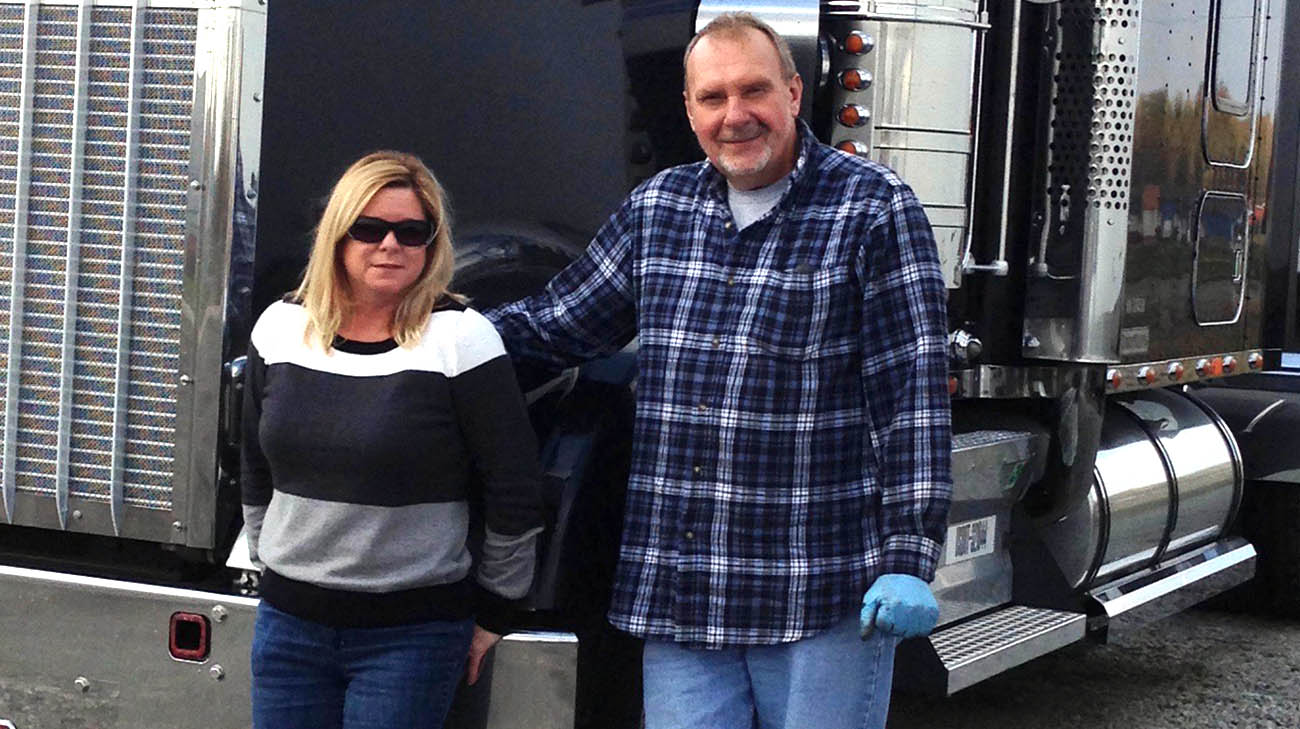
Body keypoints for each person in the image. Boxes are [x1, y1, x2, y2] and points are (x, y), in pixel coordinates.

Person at [486, 12, 952, 729]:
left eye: (754, 90)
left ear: (794, 93)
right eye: (713, 97)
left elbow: (910, 396)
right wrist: (418, 334)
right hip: (684, 596)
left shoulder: (873, 209)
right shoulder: (658, 210)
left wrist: (908, 553)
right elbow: (556, 324)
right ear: (689, 109)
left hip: (818, 593)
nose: (735, 115)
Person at [241, 151, 543, 729]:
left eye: (412, 232)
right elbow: (255, 464)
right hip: (288, 628)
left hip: (411, 639)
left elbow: (514, 487)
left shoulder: (461, 339)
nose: (390, 245)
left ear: (432, 244)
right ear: (338, 234)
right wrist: (269, 562)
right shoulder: (279, 328)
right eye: (369, 228)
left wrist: (497, 611)